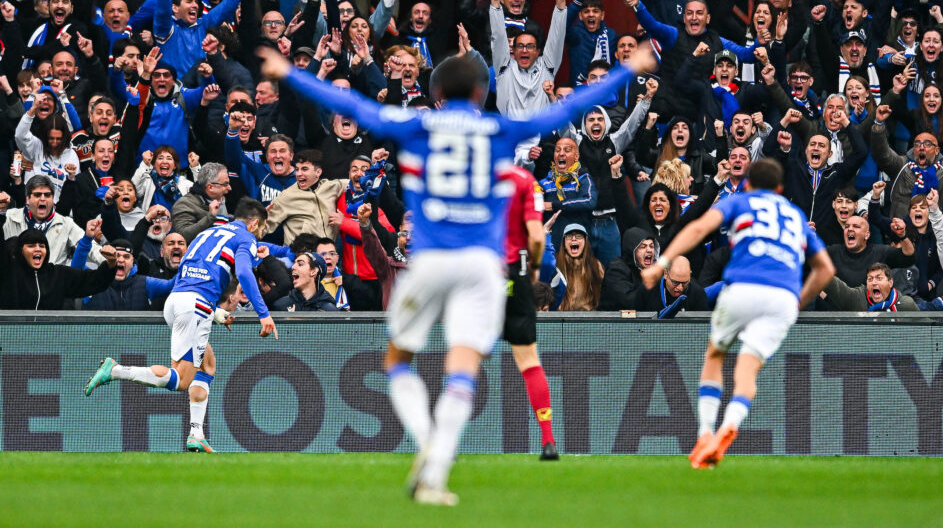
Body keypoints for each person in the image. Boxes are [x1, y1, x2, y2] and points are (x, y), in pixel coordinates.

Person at [262, 35, 654, 504]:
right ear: (481, 93)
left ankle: (427, 441)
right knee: (463, 369)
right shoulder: (499, 129)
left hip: (429, 260)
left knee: (397, 363)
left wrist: (290, 73)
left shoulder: (416, 125)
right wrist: (627, 69)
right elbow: (559, 113)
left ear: (437, 93)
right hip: (484, 266)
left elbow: (353, 105)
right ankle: (436, 472)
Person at [641, 159, 834, 468]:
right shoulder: (796, 215)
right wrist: (796, 302)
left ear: (746, 184)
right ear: (780, 189)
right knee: (748, 370)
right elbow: (825, 268)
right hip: (782, 297)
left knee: (715, 356)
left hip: (743, 286)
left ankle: (705, 433)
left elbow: (699, 227)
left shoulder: (741, 201)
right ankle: (729, 425)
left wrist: (661, 265)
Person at [84, 198, 278, 454]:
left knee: (207, 364)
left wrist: (215, 312)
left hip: (178, 300)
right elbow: (243, 273)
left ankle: (196, 433)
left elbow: (193, 272)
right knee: (180, 380)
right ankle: (116, 370)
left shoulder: (207, 233)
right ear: (254, 223)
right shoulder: (245, 238)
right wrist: (264, 314)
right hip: (194, 306)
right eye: (261, 229)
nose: (259, 233)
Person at [503, 164, 558, 460]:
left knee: (466, 356)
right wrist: (534, 267)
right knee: (529, 360)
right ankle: (548, 440)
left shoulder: (470, 175)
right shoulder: (527, 181)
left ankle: (447, 443)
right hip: (517, 274)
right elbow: (536, 237)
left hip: (483, 275)